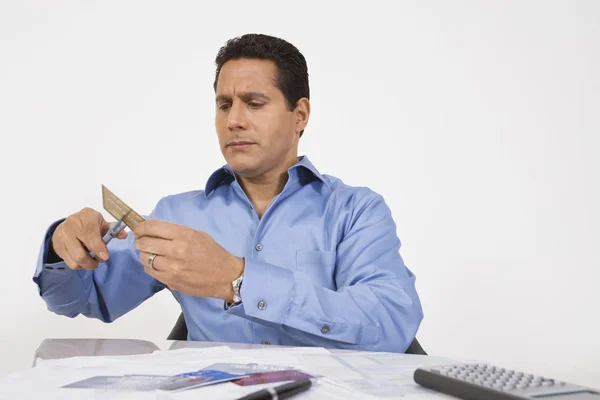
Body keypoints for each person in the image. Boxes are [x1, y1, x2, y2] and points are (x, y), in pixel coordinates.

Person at [33, 33, 423, 352]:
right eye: (224, 105)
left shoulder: (356, 212)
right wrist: (63, 246)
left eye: (254, 104)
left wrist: (236, 280)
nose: (234, 121)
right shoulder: (176, 216)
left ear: (300, 114)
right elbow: (84, 299)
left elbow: (389, 324)